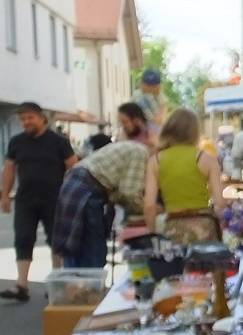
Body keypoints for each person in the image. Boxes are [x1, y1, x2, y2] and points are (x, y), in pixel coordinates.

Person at [1, 102, 78, 302]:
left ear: (41, 118)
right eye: (23, 118)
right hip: (25, 198)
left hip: (54, 199)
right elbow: (9, 169)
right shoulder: (16, 142)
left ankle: (56, 282)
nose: (26, 122)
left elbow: (74, 168)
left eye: (30, 118)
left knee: (56, 241)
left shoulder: (59, 142)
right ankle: (21, 285)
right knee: (23, 238)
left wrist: (72, 195)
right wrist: (4, 195)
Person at [52, 141, 150, 268]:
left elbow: (118, 192)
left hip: (75, 183)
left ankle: (75, 285)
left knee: (74, 247)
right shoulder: (141, 153)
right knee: (92, 251)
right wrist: (147, 211)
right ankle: (87, 286)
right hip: (87, 187)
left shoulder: (132, 147)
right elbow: (129, 192)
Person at [142, 108, 226, 244]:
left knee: (176, 264)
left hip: (173, 227)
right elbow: (221, 203)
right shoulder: (207, 159)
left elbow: (149, 206)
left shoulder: (155, 160)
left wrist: (152, 233)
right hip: (204, 226)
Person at [131, 68, 168, 135]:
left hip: (157, 129)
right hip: (141, 128)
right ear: (142, 83)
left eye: (153, 85)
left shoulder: (159, 96)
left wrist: (154, 124)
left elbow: (163, 109)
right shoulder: (137, 95)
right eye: (148, 85)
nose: (151, 87)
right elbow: (133, 113)